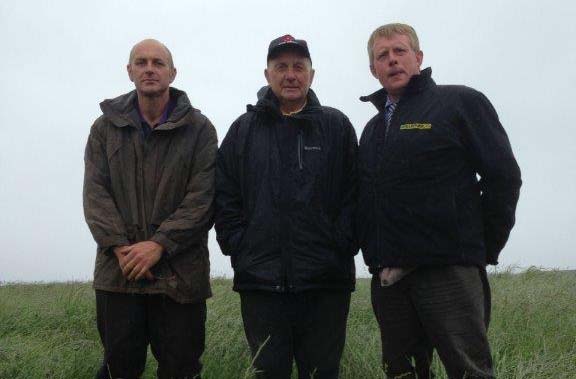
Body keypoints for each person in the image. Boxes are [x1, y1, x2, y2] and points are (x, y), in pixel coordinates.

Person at [358, 23, 522, 378]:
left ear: (418, 57)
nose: (392, 60)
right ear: (373, 69)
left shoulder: (459, 102)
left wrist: (479, 248)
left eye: (400, 51)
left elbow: (504, 177)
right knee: (402, 373)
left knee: (468, 371)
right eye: (382, 56)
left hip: (449, 271)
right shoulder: (371, 131)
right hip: (389, 279)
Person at [215, 34, 358, 379]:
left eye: (299, 66)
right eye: (281, 67)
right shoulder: (243, 130)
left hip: (326, 284)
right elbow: (223, 194)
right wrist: (240, 244)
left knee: (322, 374)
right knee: (267, 373)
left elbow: (357, 194)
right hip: (261, 284)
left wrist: (342, 242)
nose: (290, 74)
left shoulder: (336, 126)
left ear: (312, 74)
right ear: (267, 75)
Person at [83, 39, 217, 379]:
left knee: (182, 371)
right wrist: (121, 248)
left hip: (180, 278)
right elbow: (96, 194)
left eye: (158, 62)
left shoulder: (200, 130)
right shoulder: (104, 129)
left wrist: (158, 245)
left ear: (172, 72)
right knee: (118, 369)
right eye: (141, 62)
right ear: (129, 72)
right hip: (119, 274)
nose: (149, 68)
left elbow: (202, 199)